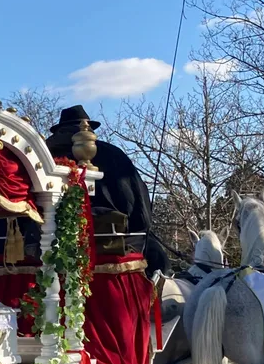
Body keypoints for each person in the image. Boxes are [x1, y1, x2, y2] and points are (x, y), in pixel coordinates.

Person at [44, 106, 171, 275]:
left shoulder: (43, 155)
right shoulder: (112, 153)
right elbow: (138, 204)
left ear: (60, 130)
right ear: (90, 129)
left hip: (38, 239)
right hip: (110, 241)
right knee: (157, 256)